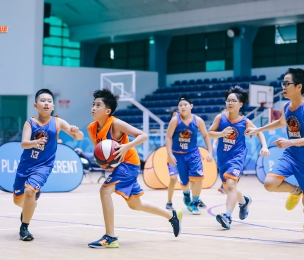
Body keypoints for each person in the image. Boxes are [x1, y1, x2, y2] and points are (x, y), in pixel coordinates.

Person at [87, 89, 182, 249]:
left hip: (129, 163)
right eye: (93, 104)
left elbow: (143, 136)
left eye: (98, 105)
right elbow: (99, 151)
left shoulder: (115, 123)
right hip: (118, 166)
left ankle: (110, 237)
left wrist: (126, 146)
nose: (93, 108)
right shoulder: (91, 128)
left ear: (108, 111)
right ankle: (172, 215)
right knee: (135, 204)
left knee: (104, 191)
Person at [13, 89, 84, 241]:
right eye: (43, 100)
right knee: (18, 200)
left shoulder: (58, 122)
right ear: (35, 105)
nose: (46, 103)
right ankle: (28, 208)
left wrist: (76, 131)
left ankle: (24, 227)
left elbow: (79, 137)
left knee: (29, 192)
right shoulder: (30, 123)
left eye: (49, 101)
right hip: (26, 166)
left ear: (53, 106)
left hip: (43, 166)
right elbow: (24, 144)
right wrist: (35, 142)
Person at [208, 86, 270, 229]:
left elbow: (259, 132)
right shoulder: (220, 118)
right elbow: (209, 133)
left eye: (233, 101)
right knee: (230, 188)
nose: (229, 103)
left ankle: (227, 216)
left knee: (230, 185)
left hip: (237, 158)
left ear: (240, 104)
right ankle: (244, 202)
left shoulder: (245, 122)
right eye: (228, 100)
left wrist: (264, 146)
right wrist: (221, 134)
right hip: (223, 158)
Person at [245, 68, 304, 212]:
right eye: (282, 83)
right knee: (269, 183)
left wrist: (291, 141)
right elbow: (281, 122)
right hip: (291, 155)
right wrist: (258, 129)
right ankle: (296, 191)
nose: (283, 87)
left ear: (299, 86)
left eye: (287, 83)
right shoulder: (286, 107)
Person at [166, 95, 213, 215]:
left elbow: (206, 135)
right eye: (180, 105)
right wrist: (169, 154)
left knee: (198, 178)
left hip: (193, 154)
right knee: (185, 182)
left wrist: (210, 152)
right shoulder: (175, 120)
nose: (182, 107)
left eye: (185, 105)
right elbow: (168, 137)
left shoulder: (198, 121)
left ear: (191, 106)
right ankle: (186, 193)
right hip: (178, 155)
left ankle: (194, 203)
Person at [213, 108, 227, 194]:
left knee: (228, 168)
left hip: (231, 150)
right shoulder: (221, 124)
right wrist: (214, 144)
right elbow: (216, 135)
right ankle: (223, 185)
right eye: (222, 113)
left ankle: (223, 186)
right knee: (222, 168)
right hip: (222, 150)